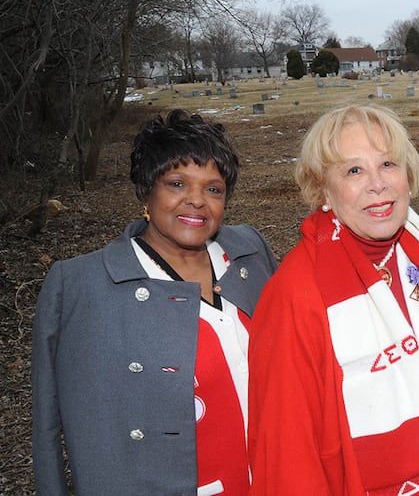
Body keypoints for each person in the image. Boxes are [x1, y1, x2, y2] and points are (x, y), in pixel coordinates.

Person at [248, 105, 419, 496]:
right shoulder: (294, 294)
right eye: (353, 170)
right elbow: (285, 456)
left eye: (388, 164)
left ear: (407, 176)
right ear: (323, 190)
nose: (377, 185)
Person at [32, 109, 278, 495]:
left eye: (213, 189)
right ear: (146, 189)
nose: (196, 201)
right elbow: (50, 427)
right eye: (177, 183)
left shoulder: (249, 251)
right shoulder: (83, 286)